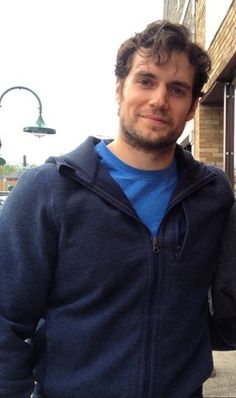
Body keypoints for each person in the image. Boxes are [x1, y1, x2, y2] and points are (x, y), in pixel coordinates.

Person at [0, 20, 235, 398]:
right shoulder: (48, 191)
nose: (159, 99)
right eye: (146, 81)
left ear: (192, 107)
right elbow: (6, 322)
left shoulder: (213, 194)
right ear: (118, 89)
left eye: (177, 89)